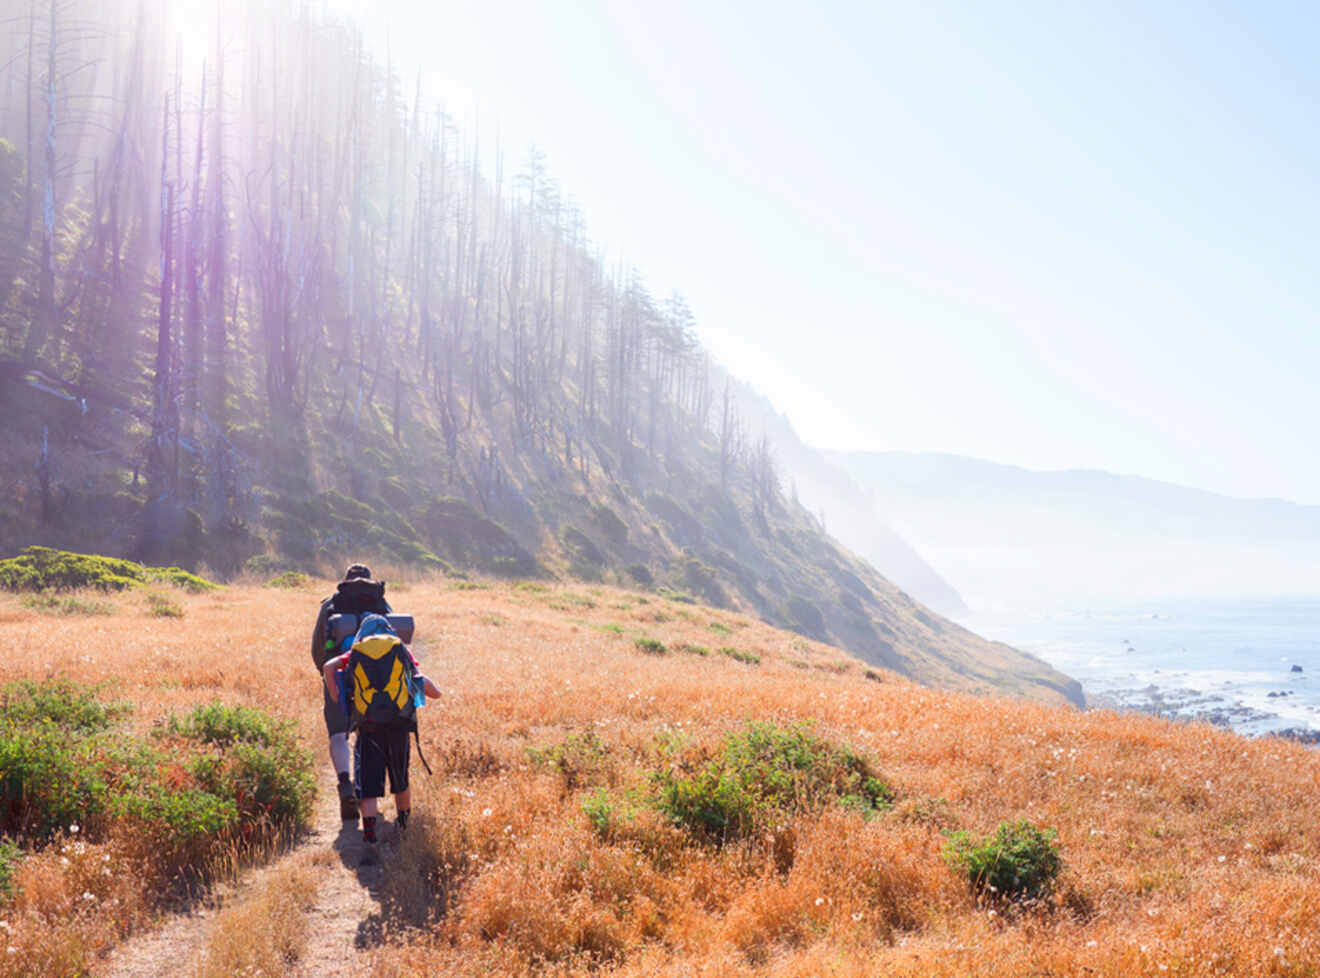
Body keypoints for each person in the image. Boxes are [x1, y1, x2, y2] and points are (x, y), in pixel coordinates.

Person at [323, 613, 441, 861]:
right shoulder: (399, 650)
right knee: (401, 779)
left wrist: (336, 696)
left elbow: (328, 667)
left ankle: (369, 839)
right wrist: (436, 693)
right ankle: (405, 828)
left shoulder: (355, 652)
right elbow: (421, 681)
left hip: (368, 729)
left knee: (368, 787)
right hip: (398, 727)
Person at [311, 563, 392, 822]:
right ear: (370, 580)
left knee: (338, 733)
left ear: (346, 579)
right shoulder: (380, 602)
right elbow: (394, 639)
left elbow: (318, 648)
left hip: (338, 672)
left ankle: (345, 783)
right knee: (367, 732)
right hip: (373, 678)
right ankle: (364, 789)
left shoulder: (332, 603)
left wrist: (327, 674)